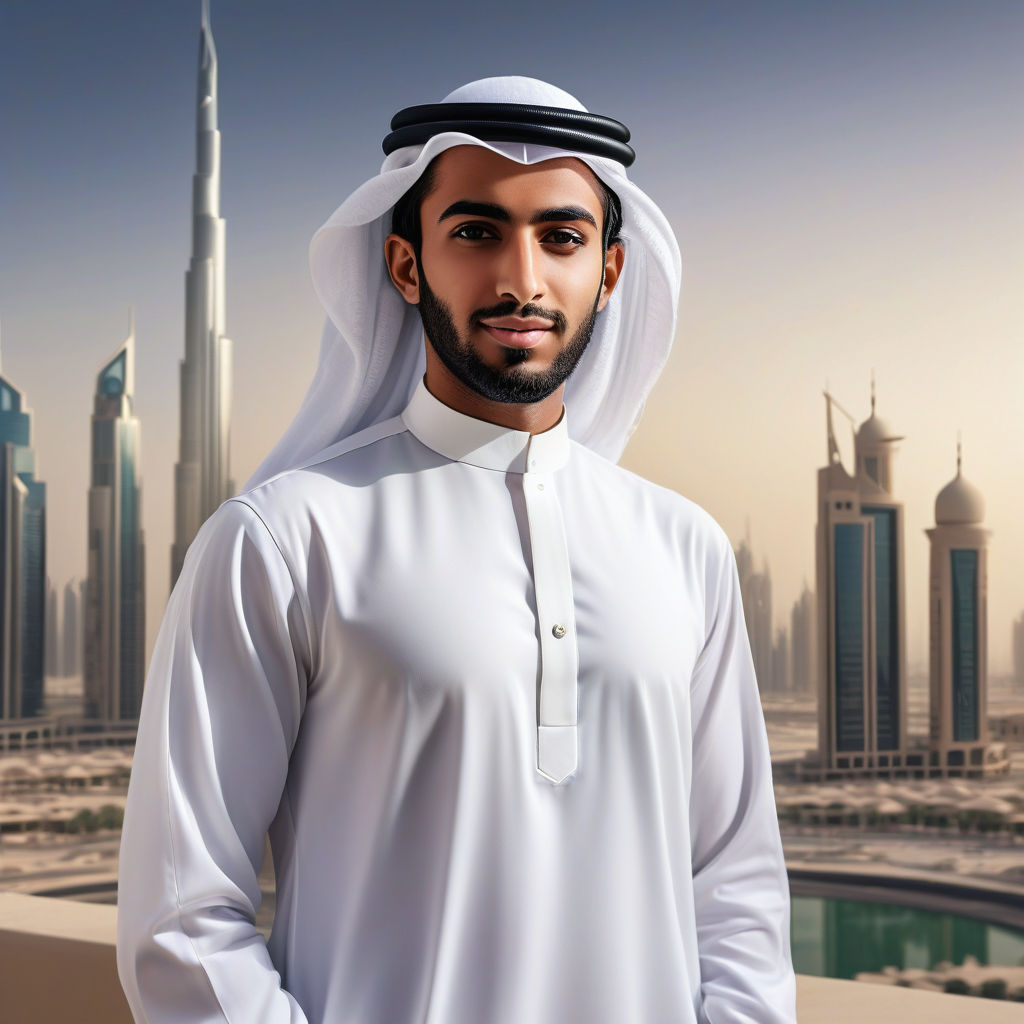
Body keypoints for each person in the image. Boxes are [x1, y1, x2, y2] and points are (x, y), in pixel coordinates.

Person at [116, 76, 797, 1023]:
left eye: (561, 237)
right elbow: (183, 920)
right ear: (405, 264)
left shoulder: (685, 549)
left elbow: (737, 894)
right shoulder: (283, 539)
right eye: (476, 232)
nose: (522, 277)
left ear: (609, 272)